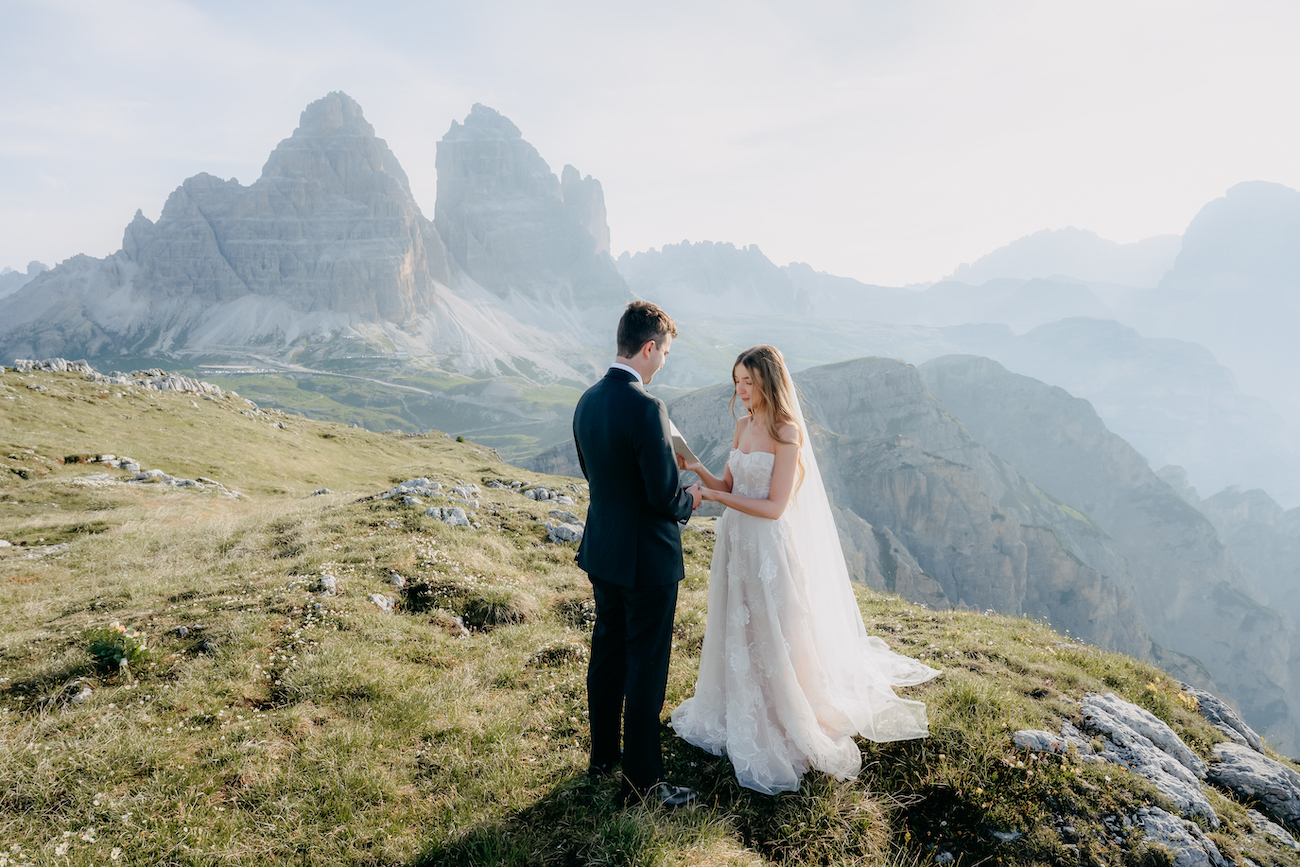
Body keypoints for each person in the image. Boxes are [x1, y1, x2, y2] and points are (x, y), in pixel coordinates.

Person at [670, 344, 940, 794]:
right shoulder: (742, 426)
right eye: (737, 380)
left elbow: (774, 507)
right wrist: (699, 470)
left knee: (776, 630)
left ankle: (784, 711)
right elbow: (731, 484)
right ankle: (737, 703)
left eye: (749, 381)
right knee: (739, 625)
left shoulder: (786, 432)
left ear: (768, 382)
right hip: (736, 543)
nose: (741, 389)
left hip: (767, 547)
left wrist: (716, 499)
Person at [573, 301, 703, 808]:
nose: (664, 361)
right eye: (664, 352)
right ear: (648, 348)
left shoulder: (587, 400)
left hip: (603, 549)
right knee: (646, 668)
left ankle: (603, 755)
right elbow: (660, 497)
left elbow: (594, 473)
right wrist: (687, 497)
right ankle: (644, 785)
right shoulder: (649, 409)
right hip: (646, 561)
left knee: (607, 655)